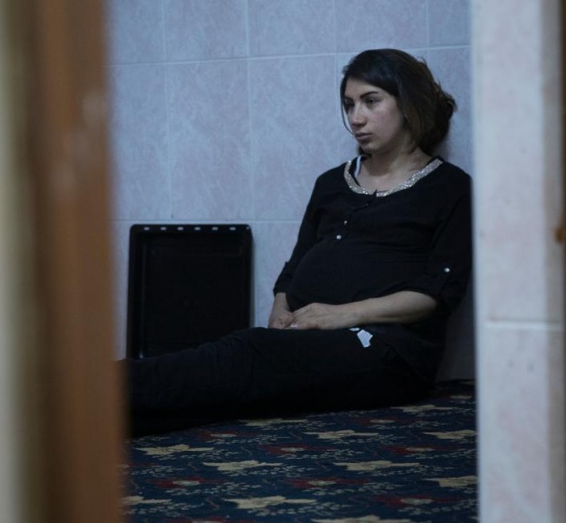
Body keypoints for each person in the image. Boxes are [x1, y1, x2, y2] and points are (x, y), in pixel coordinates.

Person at [126, 49, 472, 436]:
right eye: (348, 105)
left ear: (408, 104)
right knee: (223, 396)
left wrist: (343, 314)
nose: (356, 118)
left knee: (245, 353)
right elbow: (294, 268)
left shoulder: (450, 188)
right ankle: (95, 423)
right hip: (311, 339)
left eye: (371, 102)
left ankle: (90, 389)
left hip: (387, 350)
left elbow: (436, 295)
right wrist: (281, 309)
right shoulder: (330, 182)